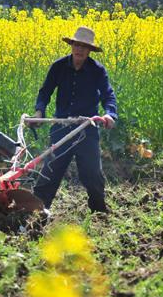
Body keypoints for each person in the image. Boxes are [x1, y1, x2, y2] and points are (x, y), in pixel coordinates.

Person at [31, 25, 118, 215]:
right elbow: (45, 92)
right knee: (51, 171)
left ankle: (99, 212)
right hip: (62, 127)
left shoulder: (97, 71)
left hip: (86, 128)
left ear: (89, 50)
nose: (79, 50)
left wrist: (109, 114)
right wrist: (39, 112)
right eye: (77, 45)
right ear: (71, 45)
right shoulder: (59, 67)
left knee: (92, 173)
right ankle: (36, 211)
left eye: (84, 47)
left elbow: (108, 95)